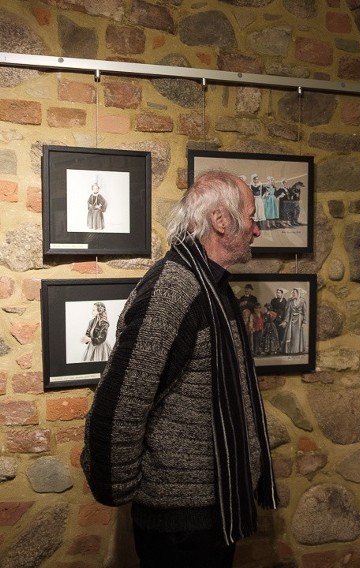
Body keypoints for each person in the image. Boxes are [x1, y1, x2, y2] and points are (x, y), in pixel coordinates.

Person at [81, 170, 279, 568]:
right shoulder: (175, 288)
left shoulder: (211, 284)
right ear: (222, 221)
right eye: (252, 216)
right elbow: (122, 401)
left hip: (210, 509)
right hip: (179, 525)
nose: (257, 229)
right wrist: (123, 490)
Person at [283, 288, 306, 354]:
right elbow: (287, 312)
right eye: (292, 293)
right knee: (291, 334)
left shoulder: (302, 301)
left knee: (297, 335)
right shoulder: (289, 301)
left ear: (298, 293)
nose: (292, 294)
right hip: (291, 319)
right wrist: (286, 321)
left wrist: (304, 321)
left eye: (294, 293)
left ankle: (297, 350)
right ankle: (290, 351)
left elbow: (305, 311)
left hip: (299, 319)